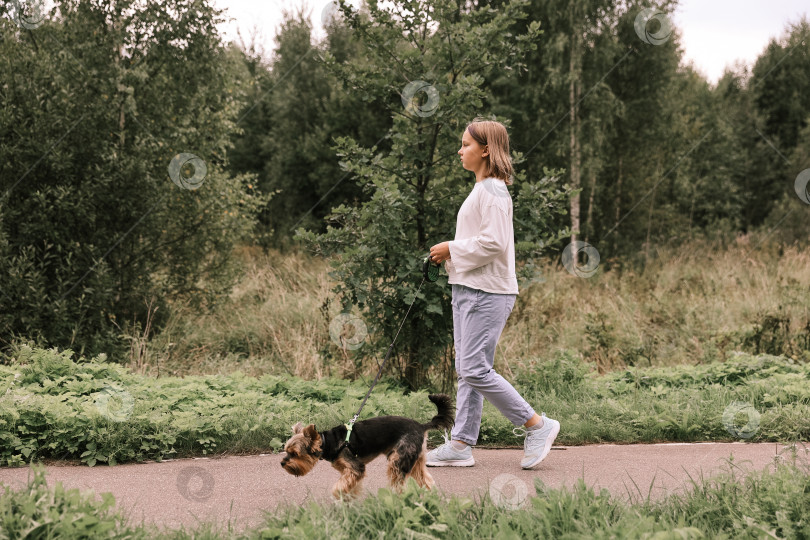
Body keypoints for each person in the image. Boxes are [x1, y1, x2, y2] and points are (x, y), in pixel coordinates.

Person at [426, 118, 560, 469]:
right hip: (470, 289)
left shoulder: (493, 192)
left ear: (486, 149)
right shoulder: (483, 189)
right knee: (468, 368)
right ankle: (460, 444)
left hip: (487, 292)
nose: (460, 150)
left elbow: (494, 243)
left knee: (474, 368)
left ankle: (537, 425)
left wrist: (450, 249)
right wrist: (452, 256)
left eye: (466, 144)